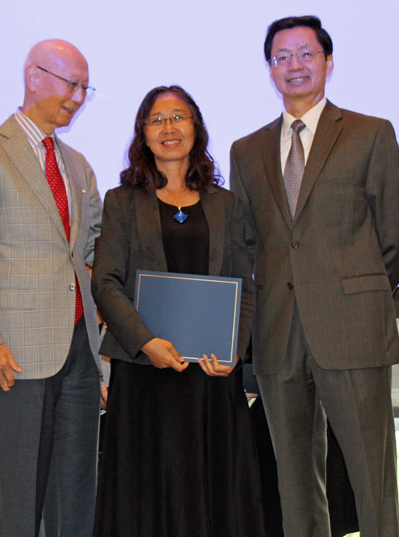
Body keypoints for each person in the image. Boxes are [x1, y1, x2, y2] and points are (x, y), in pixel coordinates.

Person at [229, 15, 399, 537]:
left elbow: (398, 233)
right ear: (269, 69)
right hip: (276, 335)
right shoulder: (246, 150)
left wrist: (360, 295)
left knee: (370, 479)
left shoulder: (369, 133)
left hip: (352, 330)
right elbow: (247, 243)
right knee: (293, 483)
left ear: (328, 62)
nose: (294, 65)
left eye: (305, 54)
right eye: (282, 57)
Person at [91, 85, 267, 537]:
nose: (169, 128)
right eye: (157, 119)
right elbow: (105, 281)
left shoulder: (226, 205)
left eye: (179, 117)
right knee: (146, 495)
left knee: (211, 492)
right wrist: (146, 341)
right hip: (145, 373)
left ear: (196, 128)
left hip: (210, 376)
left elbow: (244, 284)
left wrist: (234, 349)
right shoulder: (122, 201)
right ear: (143, 134)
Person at [0, 39, 103, 537]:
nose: (77, 97)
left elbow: (89, 253)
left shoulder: (78, 164)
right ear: (33, 76)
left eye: (84, 87)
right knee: (20, 497)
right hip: (11, 355)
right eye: (69, 83)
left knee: (76, 495)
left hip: (79, 353)